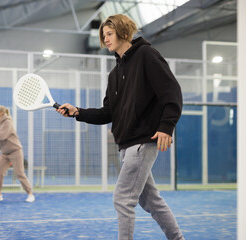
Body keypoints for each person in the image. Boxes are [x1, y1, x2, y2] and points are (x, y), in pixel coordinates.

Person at [56, 14, 185, 240]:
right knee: (151, 201)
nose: (105, 39)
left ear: (123, 32)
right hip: (126, 145)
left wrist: (166, 126)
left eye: (109, 34)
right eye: (103, 35)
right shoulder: (114, 74)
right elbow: (109, 112)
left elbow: (171, 92)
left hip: (143, 141)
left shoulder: (147, 55)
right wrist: (78, 111)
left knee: (122, 199)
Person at [0, 105, 35, 202]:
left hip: (15, 151)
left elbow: (2, 137)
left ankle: (30, 194)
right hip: (5, 153)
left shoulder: (8, 122)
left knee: (19, 173)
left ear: (1, 112)